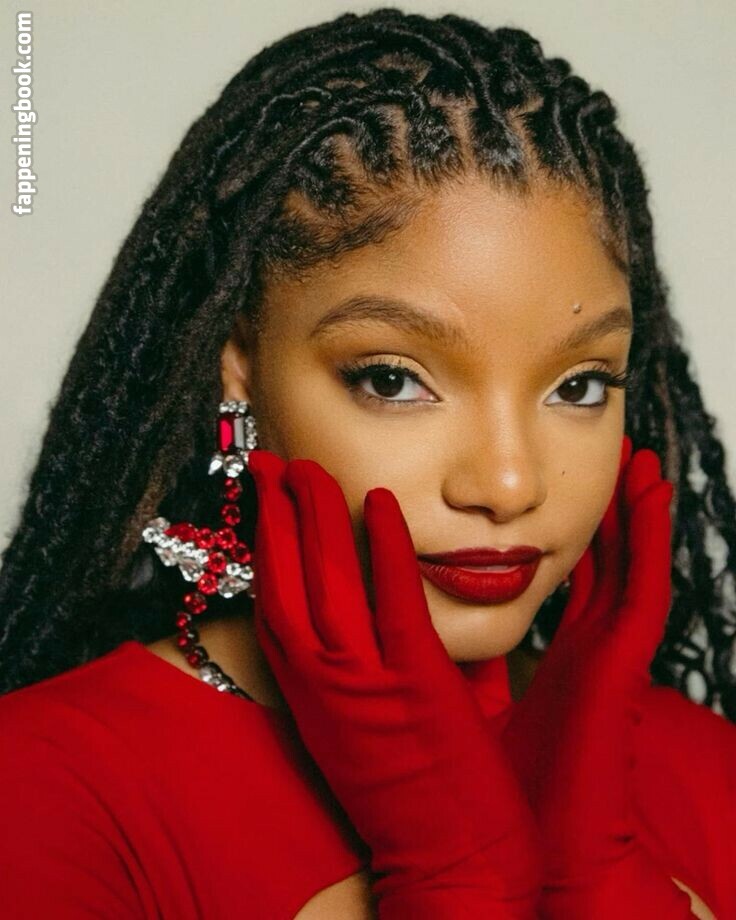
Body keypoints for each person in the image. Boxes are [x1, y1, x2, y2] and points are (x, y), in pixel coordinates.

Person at [0, 7, 734, 918]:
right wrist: (458, 875)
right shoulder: (44, 790)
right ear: (240, 366)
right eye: (393, 379)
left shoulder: (707, 772)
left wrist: (598, 876)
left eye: (579, 386)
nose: (510, 485)